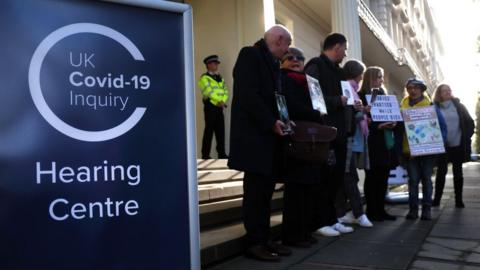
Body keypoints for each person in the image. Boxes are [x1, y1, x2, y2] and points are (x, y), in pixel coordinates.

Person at [229, 25, 292, 262]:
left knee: (265, 193)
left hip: (268, 138)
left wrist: (286, 121)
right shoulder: (250, 55)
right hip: (255, 139)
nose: (287, 52)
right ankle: (254, 242)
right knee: (255, 194)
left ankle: (265, 239)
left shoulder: (271, 63)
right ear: (278, 40)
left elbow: (276, 99)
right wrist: (270, 122)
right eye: (286, 45)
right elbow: (248, 94)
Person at [304, 33, 354, 235]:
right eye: (345, 48)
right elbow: (312, 96)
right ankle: (319, 222)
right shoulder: (315, 65)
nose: (345, 53)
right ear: (336, 47)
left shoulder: (339, 72)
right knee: (323, 177)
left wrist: (353, 103)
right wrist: (337, 101)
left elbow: (344, 98)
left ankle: (331, 218)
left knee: (335, 178)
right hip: (323, 133)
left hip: (339, 133)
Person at [279, 47, 325, 247]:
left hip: (311, 141)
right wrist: (315, 114)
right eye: (290, 57)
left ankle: (304, 231)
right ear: (282, 61)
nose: (295, 60)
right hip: (295, 140)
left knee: (309, 189)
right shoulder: (283, 79)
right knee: (296, 191)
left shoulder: (309, 82)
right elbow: (290, 106)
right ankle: (293, 235)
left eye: (299, 57)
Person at [394, 78, 446, 220]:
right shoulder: (401, 106)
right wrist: (398, 150)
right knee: (413, 180)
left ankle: (427, 209)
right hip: (409, 151)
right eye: (410, 87)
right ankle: (413, 210)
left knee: (426, 179)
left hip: (428, 152)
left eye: (416, 87)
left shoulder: (431, 106)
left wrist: (438, 146)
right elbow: (398, 130)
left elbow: (442, 127)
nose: (413, 90)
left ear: (422, 89)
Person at [336, 60, 373, 228]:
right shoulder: (348, 89)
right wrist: (362, 112)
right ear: (357, 74)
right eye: (361, 74)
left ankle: (341, 214)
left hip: (353, 139)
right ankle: (359, 214)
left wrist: (362, 112)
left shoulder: (352, 90)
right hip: (349, 139)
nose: (361, 78)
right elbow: (349, 117)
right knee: (350, 177)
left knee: (347, 177)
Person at [358, 67, 397, 222]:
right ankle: (372, 210)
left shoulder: (383, 95)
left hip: (386, 141)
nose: (382, 80)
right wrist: (377, 126)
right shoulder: (362, 96)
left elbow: (391, 115)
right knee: (372, 177)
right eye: (379, 77)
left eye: (382, 77)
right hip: (371, 142)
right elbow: (361, 119)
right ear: (370, 78)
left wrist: (393, 122)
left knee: (383, 177)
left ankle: (381, 210)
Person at [432, 84, 474, 208]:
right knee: (441, 173)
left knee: (458, 173)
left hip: (458, 145)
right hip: (442, 146)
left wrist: (466, 137)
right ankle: (437, 200)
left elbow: (470, 123)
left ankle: (459, 200)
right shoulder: (434, 107)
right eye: (444, 91)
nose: (448, 92)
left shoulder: (459, 107)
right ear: (439, 94)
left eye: (449, 90)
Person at [198, 55, 229, 159]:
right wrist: (218, 101)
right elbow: (208, 92)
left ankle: (222, 153)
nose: (216, 65)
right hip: (210, 106)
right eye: (214, 63)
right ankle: (205, 155)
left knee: (220, 130)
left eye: (217, 63)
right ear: (208, 65)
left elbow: (225, 91)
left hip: (220, 106)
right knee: (209, 130)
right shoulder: (204, 78)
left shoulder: (220, 78)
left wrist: (223, 101)